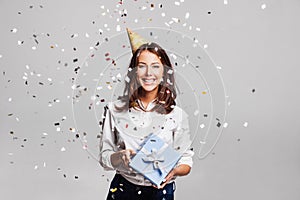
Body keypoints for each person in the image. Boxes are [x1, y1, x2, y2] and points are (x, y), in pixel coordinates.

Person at [99, 29, 194, 200]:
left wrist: (174, 171)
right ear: (134, 71)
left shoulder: (177, 115)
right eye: (142, 66)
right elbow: (104, 158)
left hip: (160, 191)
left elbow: (186, 161)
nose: (149, 73)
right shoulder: (114, 110)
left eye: (155, 66)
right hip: (123, 189)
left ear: (164, 72)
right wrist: (119, 158)